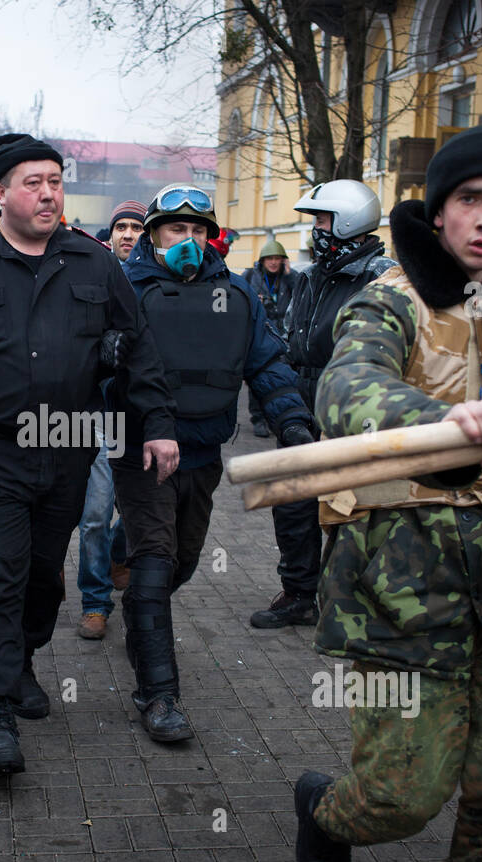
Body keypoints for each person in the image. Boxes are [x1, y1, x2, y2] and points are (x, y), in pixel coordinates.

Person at [294, 126, 482, 862]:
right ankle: (321, 809)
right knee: (399, 798)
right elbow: (343, 390)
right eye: (469, 198)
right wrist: (444, 422)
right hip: (401, 591)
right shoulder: (391, 299)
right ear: (438, 211)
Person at [0, 133, 178, 778]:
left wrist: (157, 424)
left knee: (43, 576)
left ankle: (18, 662)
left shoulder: (94, 262)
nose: (48, 193)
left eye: (55, 180)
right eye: (32, 182)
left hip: (68, 443)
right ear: (0, 192)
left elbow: (139, 348)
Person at [111, 183, 313, 741]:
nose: (189, 241)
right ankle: (159, 695)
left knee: (182, 563)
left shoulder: (238, 296)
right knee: (154, 561)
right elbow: (101, 368)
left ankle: (131, 590)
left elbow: (267, 361)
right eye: (177, 230)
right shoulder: (123, 290)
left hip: (203, 451)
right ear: (153, 235)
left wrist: (292, 419)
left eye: (199, 230)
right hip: (140, 450)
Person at [250, 179, 395, 630]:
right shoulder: (312, 275)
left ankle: (359, 602)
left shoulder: (382, 275)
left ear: (349, 220)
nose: (316, 229)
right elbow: (293, 335)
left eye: (323, 219)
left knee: (354, 509)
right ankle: (298, 595)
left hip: (352, 405)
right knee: (292, 503)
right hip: (301, 402)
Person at [75, 199, 144, 641]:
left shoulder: (159, 282)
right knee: (96, 513)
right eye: (121, 226)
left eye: (137, 226)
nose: (128, 234)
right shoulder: (93, 276)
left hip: (144, 418)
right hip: (101, 415)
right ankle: (95, 602)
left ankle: (120, 554)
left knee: (141, 514)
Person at [243, 237, 301, 438]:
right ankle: (258, 419)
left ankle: (276, 418)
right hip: (260, 334)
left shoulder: (289, 278)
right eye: (270, 259)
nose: (274, 262)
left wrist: (289, 275)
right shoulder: (251, 276)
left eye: (278, 258)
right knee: (258, 377)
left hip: (284, 337)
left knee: (282, 379)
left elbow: (301, 295)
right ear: (262, 260)